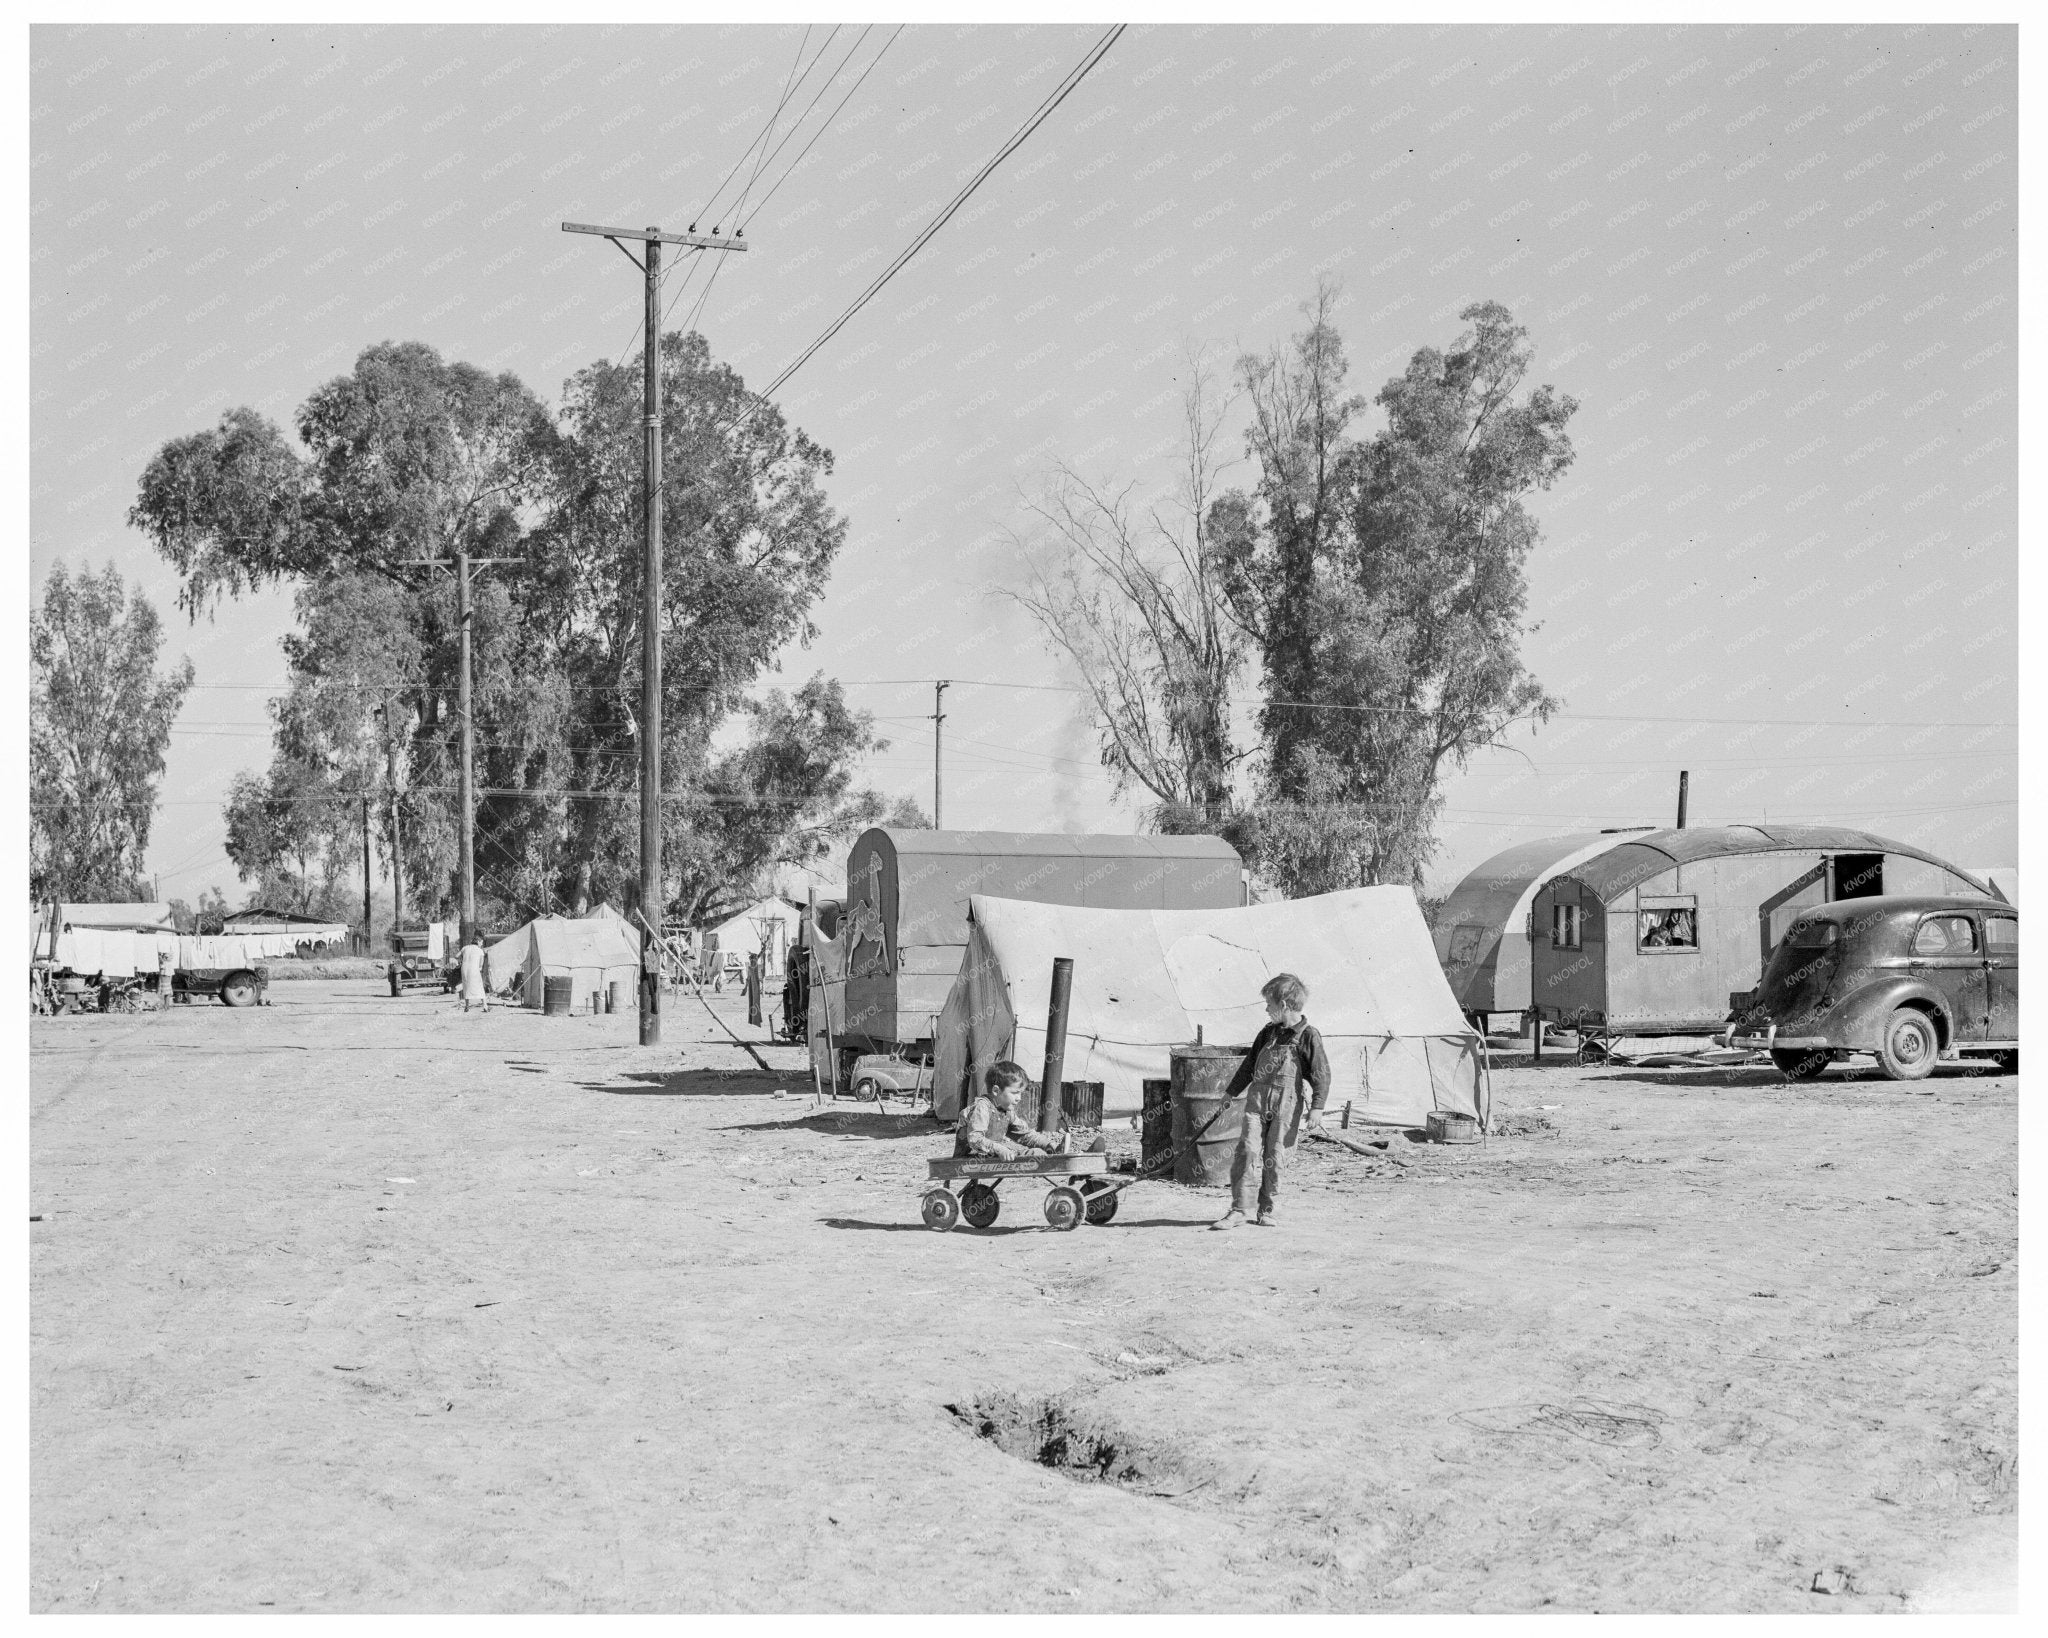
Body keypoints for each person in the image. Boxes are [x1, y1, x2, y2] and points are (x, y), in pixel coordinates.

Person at [1212, 972, 1333, 1231]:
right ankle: (1239, 1210)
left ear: (1285, 1005)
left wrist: (1318, 1108)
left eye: (1269, 1004)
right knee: (1247, 1151)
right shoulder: (1267, 1033)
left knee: (1276, 1157)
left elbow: (1322, 1073)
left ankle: (1267, 1209)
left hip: (1286, 1107)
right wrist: (1229, 1094)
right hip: (1257, 1103)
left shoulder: (1309, 1035)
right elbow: (1248, 1066)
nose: (1266, 1009)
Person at [955, 1061, 1064, 1161]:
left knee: (1033, 1153)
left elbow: (1025, 1134)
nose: (1019, 1098)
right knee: (1028, 1154)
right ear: (996, 1091)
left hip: (989, 1154)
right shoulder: (982, 1108)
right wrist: (999, 1149)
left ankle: (1054, 1151)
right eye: (1015, 1093)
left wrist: (1048, 1144)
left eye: (1020, 1093)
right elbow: (975, 1139)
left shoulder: (1006, 1111)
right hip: (970, 1157)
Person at [457, 937, 488, 1013]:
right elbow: (481, 964)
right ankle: (485, 1006)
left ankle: (467, 1006)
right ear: (478, 941)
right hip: (474, 969)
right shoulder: (480, 951)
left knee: (466, 986)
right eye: (481, 942)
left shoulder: (465, 948)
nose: (482, 944)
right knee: (479, 986)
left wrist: (461, 961)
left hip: (464, 969)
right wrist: (479, 968)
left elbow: (456, 956)